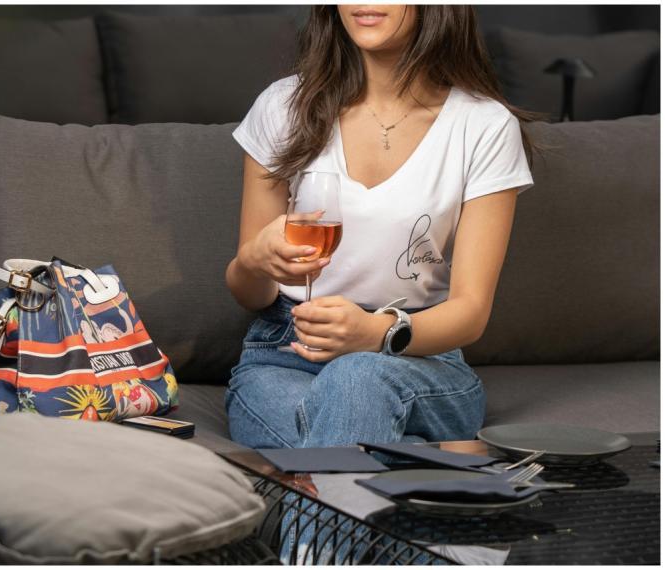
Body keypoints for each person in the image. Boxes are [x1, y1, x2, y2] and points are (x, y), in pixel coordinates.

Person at [224, 5, 535, 453]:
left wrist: (374, 334)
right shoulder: (283, 106)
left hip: (416, 355)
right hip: (284, 354)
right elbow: (251, 293)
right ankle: (428, 461)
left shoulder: (483, 126)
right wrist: (254, 260)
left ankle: (398, 468)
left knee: (357, 378)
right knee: (346, 430)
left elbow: (470, 311)